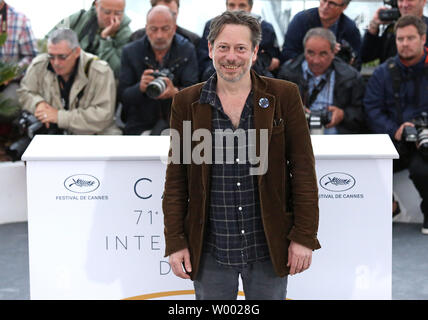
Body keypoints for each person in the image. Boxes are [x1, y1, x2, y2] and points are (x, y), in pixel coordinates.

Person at [163, 10, 320, 300]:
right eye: (223, 47)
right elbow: (176, 181)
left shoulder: (284, 96)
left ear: (255, 51)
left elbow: (303, 172)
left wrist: (303, 236)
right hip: (210, 249)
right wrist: (175, 242)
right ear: (210, 49)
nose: (231, 57)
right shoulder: (186, 103)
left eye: (240, 48)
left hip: (269, 246)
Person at [364, 15, 428, 234]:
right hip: (394, 140)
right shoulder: (383, 72)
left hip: (425, 142)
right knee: (366, 164)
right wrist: (396, 130)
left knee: (423, 170)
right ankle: (388, 207)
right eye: (400, 39)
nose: (405, 43)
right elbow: (372, 109)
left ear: (423, 39)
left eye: (410, 38)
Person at [17, 28, 120, 135]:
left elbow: (103, 116)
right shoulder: (39, 65)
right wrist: (38, 104)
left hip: (93, 135)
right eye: (51, 56)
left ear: (77, 52)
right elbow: (24, 92)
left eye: (62, 57)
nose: (56, 62)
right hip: (54, 133)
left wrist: (58, 117)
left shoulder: (100, 71)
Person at [118, 5, 198, 135]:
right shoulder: (131, 51)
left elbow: (195, 93)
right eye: (153, 29)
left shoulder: (187, 50)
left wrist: (175, 92)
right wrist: (140, 88)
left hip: (176, 123)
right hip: (139, 124)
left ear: (174, 29)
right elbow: (122, 96)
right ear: (146, 29)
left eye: (165, 29)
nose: (159, 35)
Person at [278, 28, 367, 134]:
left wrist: (343, 115)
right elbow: (274, 110)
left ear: (333, 53)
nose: (316, 60)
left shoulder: (351, 77)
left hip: (336, 136)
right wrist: (292, 112)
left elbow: (362, 113)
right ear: (304, 50)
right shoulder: (287, 73)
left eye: (323, 54)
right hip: (297, 135)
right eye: (310, 53)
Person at [197, 0, 280, 80]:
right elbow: (203, 61)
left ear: (250, 7)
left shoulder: (265, 29)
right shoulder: (212, 26)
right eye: (232, 5)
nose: (236, 9)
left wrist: (258, 61)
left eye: (242, 5)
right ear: (226, 6)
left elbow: (276, 61)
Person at [47, 0, 132, 78]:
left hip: (98, 83)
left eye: (118, 13)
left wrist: (106, 40)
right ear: (96, 5)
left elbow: (116, 70)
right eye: (107, 12)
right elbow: (48, 39)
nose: (112, 17)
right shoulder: (80, 18)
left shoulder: (126, 34)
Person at [0, 0, 38, 156]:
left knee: (12, 104)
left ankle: (8, 142)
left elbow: (31, 56)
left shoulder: (19, 20)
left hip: (10, 83)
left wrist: (10, 73)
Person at [280, 0, 361, 69]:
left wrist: (339, 57)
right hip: (301, 74)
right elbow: (287, 54)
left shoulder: (350, 28)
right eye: (324, 0)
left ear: (344, 7)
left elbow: (357, 63)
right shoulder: (301, 20)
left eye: (332, 3)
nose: (325, 6)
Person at [360, 0, 428, 64]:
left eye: (410, 0)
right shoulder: (392, 29)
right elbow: (365, 57)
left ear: (423, 1)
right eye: (401, 0)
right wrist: (374, 26)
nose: (404, 5)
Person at [129, 0, 200, 48]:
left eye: (172, 14)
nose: (166, 19)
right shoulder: (136, 38)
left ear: (178, 12)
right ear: (151, 12)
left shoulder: (193, 41)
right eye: (161, 13)